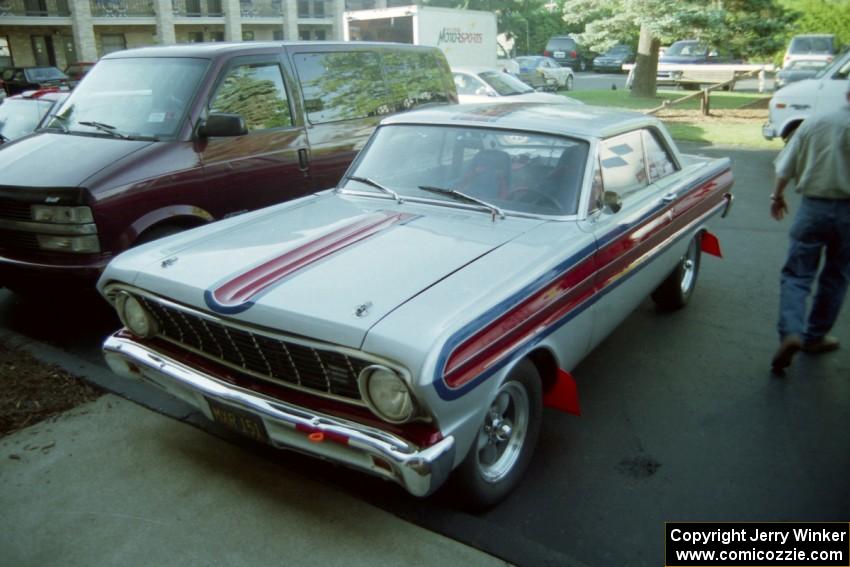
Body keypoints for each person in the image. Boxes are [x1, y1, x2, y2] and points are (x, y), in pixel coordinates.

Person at [769, 84, 850, 372]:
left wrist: (777, 197)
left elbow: (785, 167)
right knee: (836, 275)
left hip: (813, 208)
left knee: (797, 274)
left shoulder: (816, 122)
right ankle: (814, 337)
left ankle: (791, 333)